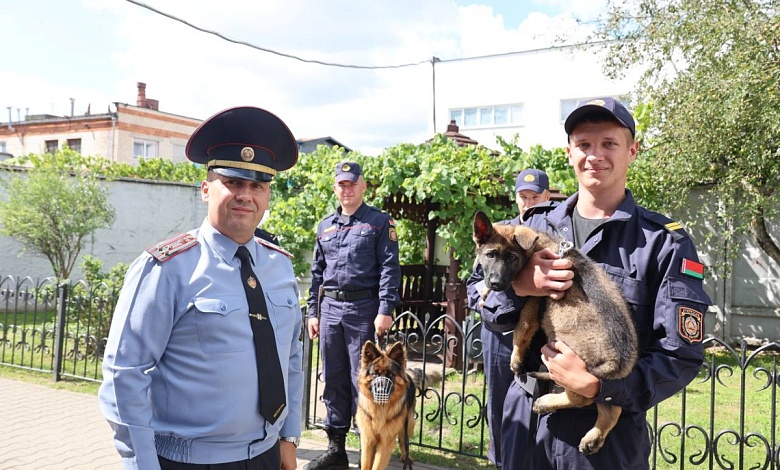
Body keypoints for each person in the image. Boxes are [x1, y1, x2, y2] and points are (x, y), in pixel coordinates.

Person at [493, 97, 711, 469]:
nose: (595, 155)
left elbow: (680, 355)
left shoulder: (662, 243)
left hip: (605, 442)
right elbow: (479, 297)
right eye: (584, 145)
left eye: (609, 143)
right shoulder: (530, 229)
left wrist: (600, 387)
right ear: (569, 152)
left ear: (632, 150)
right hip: (526, 423)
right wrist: (519, 288)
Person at [99, 106, 304, 470]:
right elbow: (124, 373)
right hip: (190, 462)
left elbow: (290, 357)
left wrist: (289, 437)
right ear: (206, 190)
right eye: (234, 182)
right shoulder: (166, 268)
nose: (246, 195)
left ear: (267, 197)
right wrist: (142, 464)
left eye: (257, 185)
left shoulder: (279, 266)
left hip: (268, 456)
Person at [305, 161, 401, 470]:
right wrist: (313, 311)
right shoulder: (325, 226)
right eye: (341, 184)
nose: (346, 189)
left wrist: (385, 309)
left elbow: (390, 268)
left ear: (363, 186)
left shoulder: (378, 222)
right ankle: (336, 450)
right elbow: (317, 272)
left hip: (363, 310)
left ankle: (367, 451)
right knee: (332, 378)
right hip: (331, 310)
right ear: (336, 188)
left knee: (363, 381)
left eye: (351, 183)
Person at [466, 168, 553, 469]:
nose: (528, 202)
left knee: (530, 407)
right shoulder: (499, 234)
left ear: (546, 197)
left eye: (535, 196)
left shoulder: (539, 238)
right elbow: (473, 282)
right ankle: (498, 462)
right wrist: (478, 300)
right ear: (516, 199)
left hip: (533, 337)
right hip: (496, 337)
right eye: (523, 197)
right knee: (498, 404)